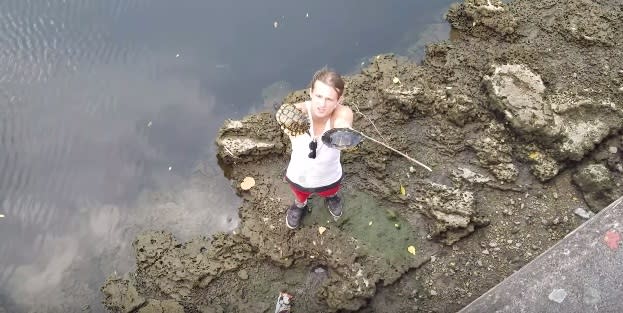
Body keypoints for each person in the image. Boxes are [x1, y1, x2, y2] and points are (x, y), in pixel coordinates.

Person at [279, 67, 354, 229]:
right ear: (311, 92)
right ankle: (300, 205)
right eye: (319, 96)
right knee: (300, 195)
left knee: (331, 191)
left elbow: (343, 120)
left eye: (329, 99)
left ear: (338, 100)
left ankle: (332, 198)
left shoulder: (341, 114)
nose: (322, 104)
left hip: (329, 175)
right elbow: (287, 113)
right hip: (300, 175)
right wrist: (287, 117)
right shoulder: (297, 112)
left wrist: (343, 131)